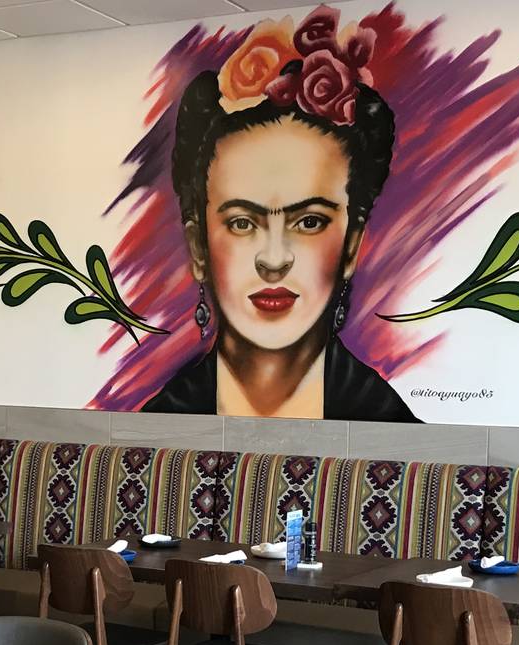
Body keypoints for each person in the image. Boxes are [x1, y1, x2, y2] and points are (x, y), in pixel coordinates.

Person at [142, 14, 418, 422]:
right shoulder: (157, 428)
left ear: (351, 244)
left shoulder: (393, 430)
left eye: (309, 222)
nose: (273, 260)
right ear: (199, 247)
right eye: (242, 223)